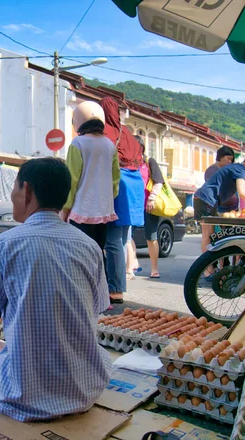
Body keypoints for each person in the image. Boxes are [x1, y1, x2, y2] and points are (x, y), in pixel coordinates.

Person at [0, 157, 112, 422]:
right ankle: (0, 349)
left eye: (14, 188)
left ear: (26, 191)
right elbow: (94, 309)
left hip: (25, 394)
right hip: (84, 388)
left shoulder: (4, 245)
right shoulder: (89, 246)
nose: (13, 195)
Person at [101, 97, 145, 304]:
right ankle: (115, 286)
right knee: (121, 239)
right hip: (134, 186)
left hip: (118, 185)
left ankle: (116, 289)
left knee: (112, 241)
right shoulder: (128, 133)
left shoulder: (106, 132)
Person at [61, 101, 119, 252]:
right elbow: (115, 180)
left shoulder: (78, 143)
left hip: (82, 209)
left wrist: (65, 208)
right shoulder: (110, 145)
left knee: (80, 253)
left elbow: (71, 179)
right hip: (104, 210)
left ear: (78, 121)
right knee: (98, 253)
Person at [194, 150, 245, 255]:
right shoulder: (241, 170)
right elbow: (242, 193)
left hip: (205, 198)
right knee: (207, 235)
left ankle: (209, 268)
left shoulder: (238, 168)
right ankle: (207, 270)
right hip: (206, 198)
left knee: (208, 235)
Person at [136, 135, 166, 279]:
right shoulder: (128, 163)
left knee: (151, 237)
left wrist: (151, 199)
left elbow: (159, 181)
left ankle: (154, 268)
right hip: (134, 204)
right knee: (127, 236)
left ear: (140, 147)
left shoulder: (149, 161)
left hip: (149, 205)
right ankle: (132, 265)